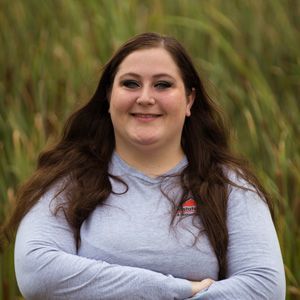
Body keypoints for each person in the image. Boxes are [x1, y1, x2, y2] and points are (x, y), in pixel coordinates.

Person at [1, 32, 285, 299]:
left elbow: (264, 287)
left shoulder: (230, 185)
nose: (146, 97)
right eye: (130, 83)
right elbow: (38, 272)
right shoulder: (65, 181)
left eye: (163, 84)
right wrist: (180, 289)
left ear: (189, 100)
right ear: (108, 99)